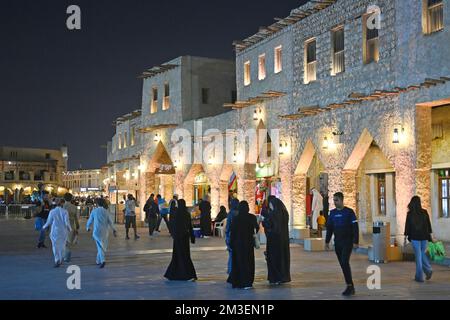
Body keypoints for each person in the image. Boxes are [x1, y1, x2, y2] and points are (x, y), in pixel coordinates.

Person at [325, 192, 359, 297]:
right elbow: (330, 228)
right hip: (338, 243)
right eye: (334, 200)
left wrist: (355, 241)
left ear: (341, 200)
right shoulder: (332, 213)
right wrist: (327, 241)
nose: (334, 202)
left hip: (347, 242)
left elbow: (355, 227)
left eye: (336, 200)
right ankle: (350, 285)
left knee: (344, 262)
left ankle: (349, 285)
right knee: (343, 265)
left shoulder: (349, 212)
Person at [164, 199, 197, 281]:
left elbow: (173, 225)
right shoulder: (186, 214)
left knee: (177, 256)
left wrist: (173, 234)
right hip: (184, 238)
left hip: (177, 238)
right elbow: (190, 226)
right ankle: (187, 275)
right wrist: (192, 237)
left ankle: (173, 274)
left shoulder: (176, 214)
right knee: (185, 256)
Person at [229, 201, 259, 290]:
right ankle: (248, 281)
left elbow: (232, 232)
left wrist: (231, 243)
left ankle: (240, 281)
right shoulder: (252, 217)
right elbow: (256, 228)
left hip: (238, 244)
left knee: (239, 262)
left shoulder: (236, 219)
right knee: (248, 262)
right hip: (248, 243)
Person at [404, 196, 434, 283]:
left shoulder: (410, 214)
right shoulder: (424, 212)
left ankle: (420, 276)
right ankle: (428, 270)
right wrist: (430, 236)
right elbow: (428, 225)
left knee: (418, 256)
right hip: (424, 237)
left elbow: (407, 226)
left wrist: (405, 236)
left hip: (415, 237)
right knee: (421, 254)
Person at [263, 196, 291, 285]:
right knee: (282, 258)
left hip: (274, 240)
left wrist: (263, 221)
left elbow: (270, 226)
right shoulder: (285, 213)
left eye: (271, 205)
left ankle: (275, 277)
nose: (270, 206)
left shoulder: (273, 214)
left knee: (274, 259)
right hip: (283, 240)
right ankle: (283, 277)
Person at [86, 198, 117, 268]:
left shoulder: (94, 211)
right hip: (105, 232)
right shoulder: (106, 212)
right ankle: (102, 260)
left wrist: (88, 227)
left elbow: (90, 220)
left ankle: (98, 261)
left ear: (97, 204)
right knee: (102, 246)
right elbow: (110, 222)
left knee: (100, 246)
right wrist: (114, 230)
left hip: (96, 231)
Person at [42, 199, 72, 268]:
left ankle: (57, 259)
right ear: (62, 203)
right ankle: (61, 259)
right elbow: (67, 222)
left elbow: (49, 222)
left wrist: (44, 227)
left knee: (55, 246)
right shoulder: (65, 211)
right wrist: (70, 229)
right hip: (63, 231)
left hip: (55, 231)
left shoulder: (52, 211)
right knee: (62, 245)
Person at [225, 198, 239, 282]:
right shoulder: (239, 213)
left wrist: (227, 237)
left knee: (231, 256)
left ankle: (231, 273)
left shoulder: (231, 214)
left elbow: (228, 227)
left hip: (231, 237)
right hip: (238, 237)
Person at [63, 193, 80, 263]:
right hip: (72, 226)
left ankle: (65, 255)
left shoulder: (63, 206)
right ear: (71, 198)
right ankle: (67, 255)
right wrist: (77, 225)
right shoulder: (74, 207)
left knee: (64, 242)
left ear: (64, 198)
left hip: (63, 226)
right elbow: (76, 218)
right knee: (69, 242)